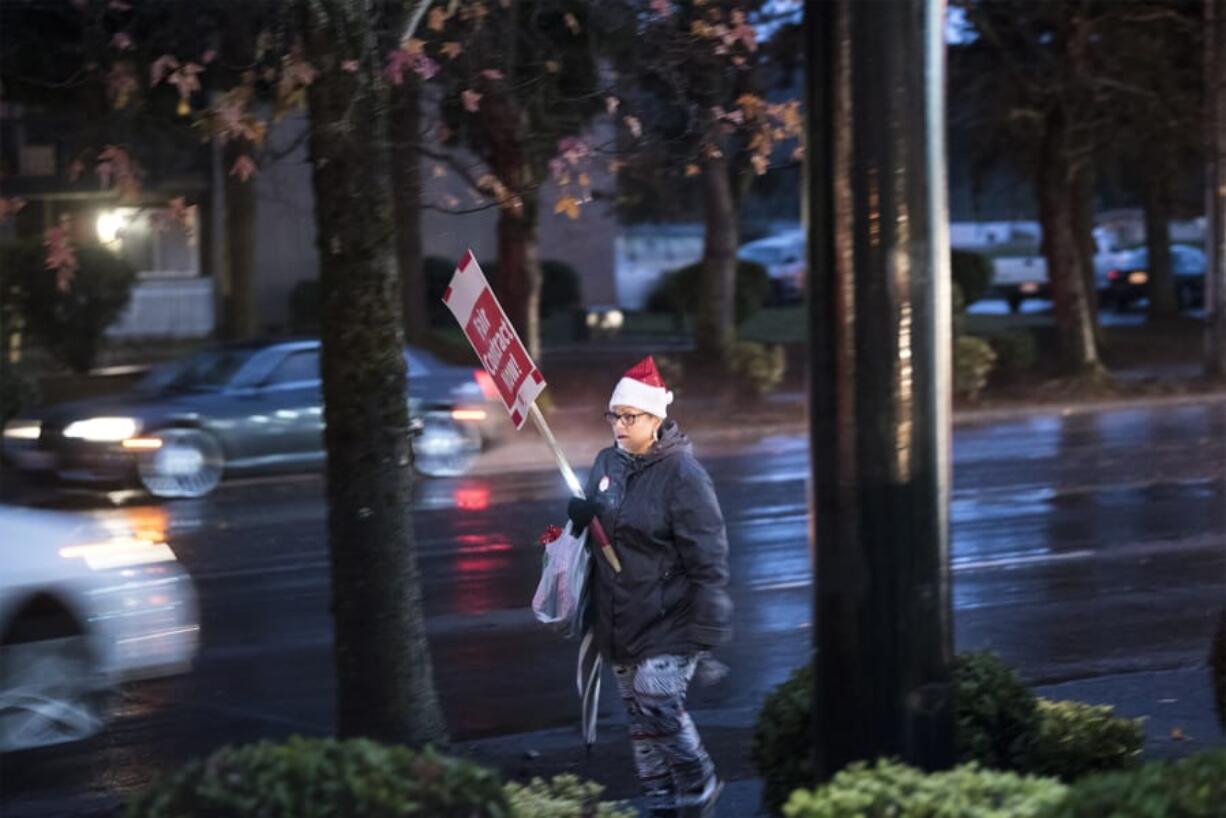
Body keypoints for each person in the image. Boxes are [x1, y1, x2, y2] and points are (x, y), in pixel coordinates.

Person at [567, 356, 733, 818]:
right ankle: (660, 800)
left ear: (656, 419)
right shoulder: (607, 463)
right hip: (619, 614)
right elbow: (598, 517)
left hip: (671, 617)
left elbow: (709, 556)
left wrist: (708, 630)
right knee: (639, 722)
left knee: (656, 699)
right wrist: (582, 516)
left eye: (630, 416)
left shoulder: (683, 475)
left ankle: (698, 779)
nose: (619, 425)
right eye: (614, 416)